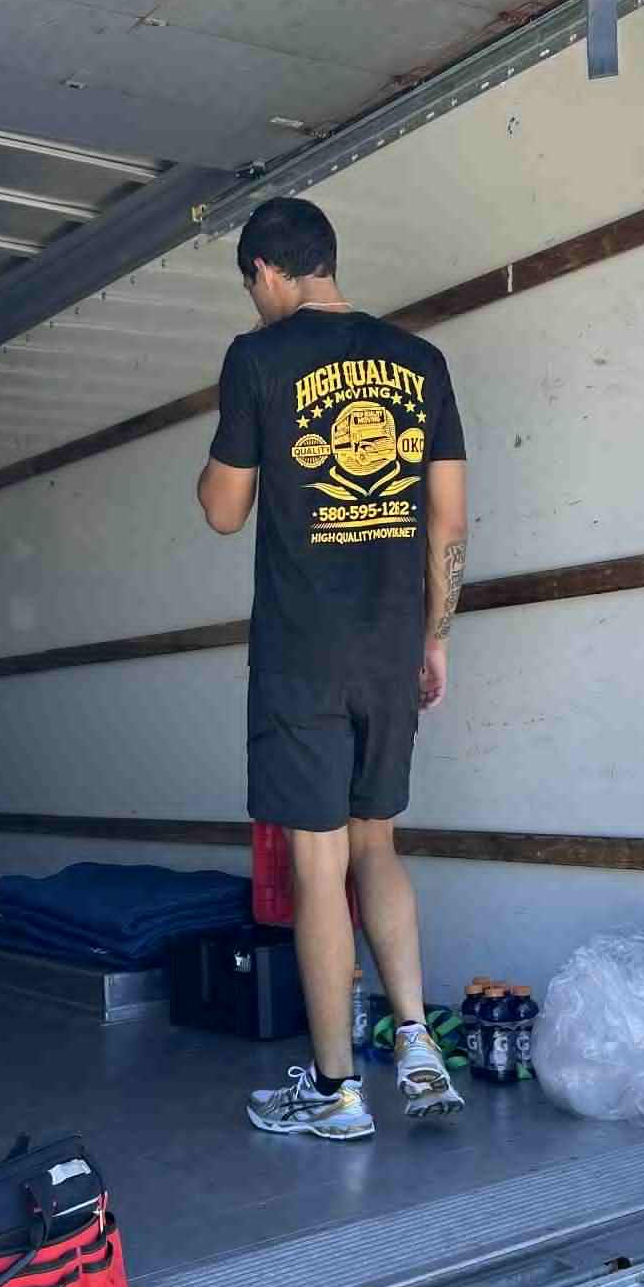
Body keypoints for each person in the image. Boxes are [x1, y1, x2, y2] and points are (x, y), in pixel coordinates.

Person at [197, 197, 469, 1141]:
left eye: (252, 285)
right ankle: (418, 1043)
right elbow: (448, 519)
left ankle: (336, 1090)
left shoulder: (257, 357)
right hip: (393, 645)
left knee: (319, 870)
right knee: (379, 845)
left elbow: (223, 510)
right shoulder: (421, 362)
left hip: (302, 654)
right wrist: (434, 637)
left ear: (267, 274)